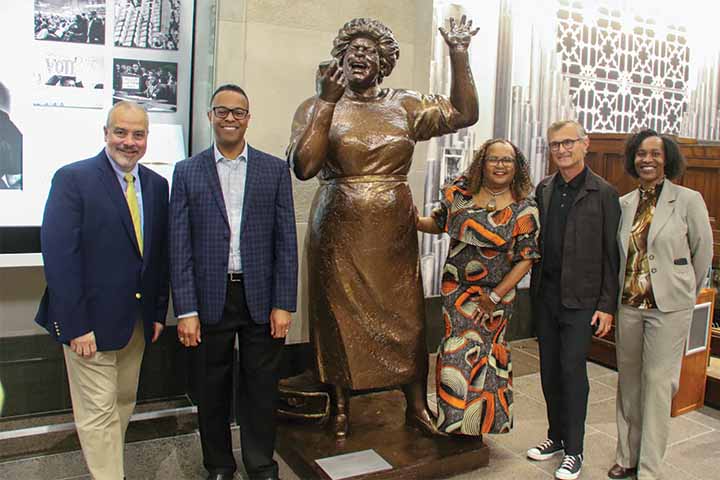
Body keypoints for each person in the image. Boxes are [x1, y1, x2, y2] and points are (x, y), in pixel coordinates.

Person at [288, 15, 479, 438]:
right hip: (338, 227)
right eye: (352, 49)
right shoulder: (317, 104)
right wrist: (325, 103)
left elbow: (465, 113)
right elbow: (304, 166)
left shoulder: (404, 104)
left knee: (406, 315)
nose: (360, 55)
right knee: (336, 315)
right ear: (339, 59)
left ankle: (415, 405)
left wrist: (459, 53)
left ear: (385, 61)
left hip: (392, 228)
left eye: (370, 50)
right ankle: (339, 404)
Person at [35, 101, 169, 480]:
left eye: (138, 134)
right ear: (105, 133)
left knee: (122, 403)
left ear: (147, 139)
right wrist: (75, 325)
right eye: (121, 132)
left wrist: (158, 312)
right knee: (97, 412)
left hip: (137, 325)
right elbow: (60, 258)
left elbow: (158, 256)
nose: (129, 142)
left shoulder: (157, 186)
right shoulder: (73, 179)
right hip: (88, 326)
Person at [170, 84, 297, 480]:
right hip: (210, 298)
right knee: (212, 389)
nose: (230, 118)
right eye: (222, 111)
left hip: (260, 298)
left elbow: (286, 240)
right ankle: (220, 466)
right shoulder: (187, 171)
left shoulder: (274, 169)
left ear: (248, 118)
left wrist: (284, 303)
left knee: (260, 388)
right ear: (210, 116)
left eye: (238, 112)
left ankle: (260, 463)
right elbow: (179, 246)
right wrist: (186, 310)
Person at [608, 129, 713, 480]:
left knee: (657, 385)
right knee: (630, 385)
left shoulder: (688, 200)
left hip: (669, 309)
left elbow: (703, 254)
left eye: (655, 153)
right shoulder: (622, 204)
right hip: (629, 307)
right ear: (633, 159)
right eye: (641, 153)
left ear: (667, 158)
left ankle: (649, 469)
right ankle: (626, 457)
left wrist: (682, 292)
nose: (647, 159)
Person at [416, 138, 540, 435]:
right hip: (456, 290)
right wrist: (411, 219)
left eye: (506, 160)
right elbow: (438, 224)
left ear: (516, 166)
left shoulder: (525, 207)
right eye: (493, 159)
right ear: (481, 163)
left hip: (496, 295)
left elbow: (527, 259)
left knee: (486, 356)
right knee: (455, 352)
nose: (500, 165)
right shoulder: (461, 193)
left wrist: (494, 297)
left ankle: (480, 423)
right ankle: (453, 423)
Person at [527, 119, 621, 480]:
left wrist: (606, 305)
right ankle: (556, 437)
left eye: (568, 143)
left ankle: (576, 451)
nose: (562, 150)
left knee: (572, 372)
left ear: (585, 144)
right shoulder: (545, 188)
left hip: (582, 301)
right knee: (550, 372)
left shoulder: (604, 193)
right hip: (546, 296)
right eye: (555, 145)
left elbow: (611, 255)